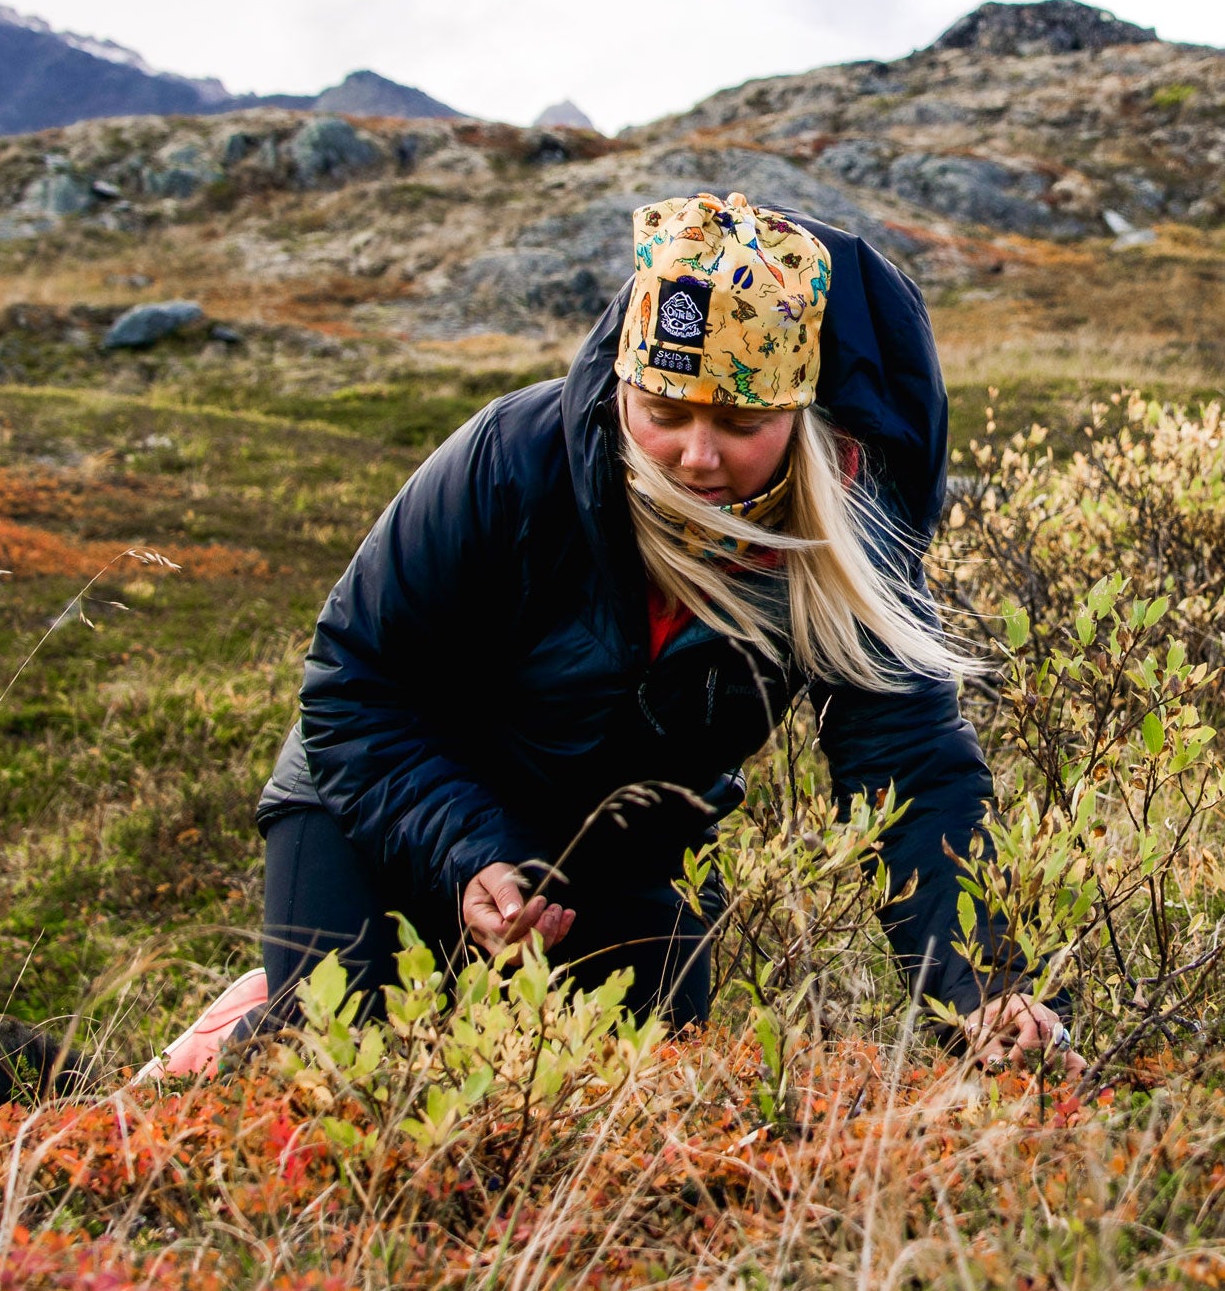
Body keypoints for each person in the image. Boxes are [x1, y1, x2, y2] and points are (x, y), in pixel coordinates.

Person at [140, 190, 1081, 1085]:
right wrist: (472, 853)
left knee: (640, 1089)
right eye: (664, 414)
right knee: (337, 1065)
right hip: (383, 797)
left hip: (621, 850)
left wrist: (986, 985)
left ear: (799, 415)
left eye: (741, 422)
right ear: (627, 385)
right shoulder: (512, 460)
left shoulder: (845, 539)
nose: (696, 456)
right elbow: (355, 684)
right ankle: (225, 1043)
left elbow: (909, 770)